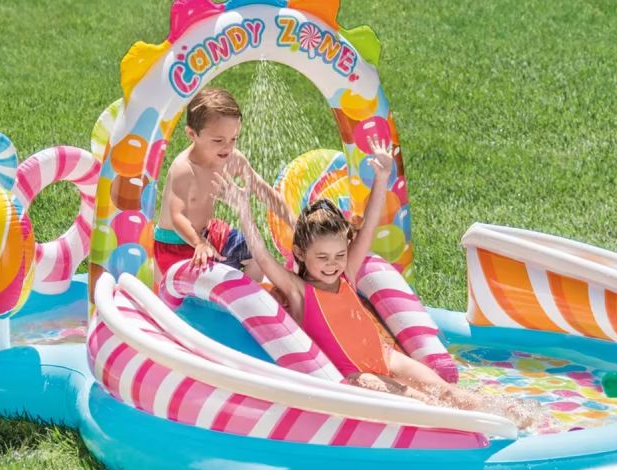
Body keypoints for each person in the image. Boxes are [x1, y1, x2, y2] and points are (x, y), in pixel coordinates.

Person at [216, 138, 547, 431]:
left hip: (385, 357)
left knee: (446, 392)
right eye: (323, 257)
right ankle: (479, 432)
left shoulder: (346, 273)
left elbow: (370, 225)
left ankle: (520, 419)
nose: (332, 264)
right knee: (424, 403)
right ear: (300, 254)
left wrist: (382, 177)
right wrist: (243, 209)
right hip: (356, 377)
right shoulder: (298, 290)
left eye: (339, 255)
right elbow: (263, 256)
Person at [153, 87, 294, 280]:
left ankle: (247, 295)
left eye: (233, 139)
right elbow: (177, 217)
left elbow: (264, 192)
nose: (228, 147)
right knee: (206, 282)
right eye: (218, 140)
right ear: (192, 134)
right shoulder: (184, 169)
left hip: (208, 232)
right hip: (175, 244)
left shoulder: (232, 159)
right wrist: (199, 243)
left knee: (255, 255)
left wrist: (294, 222)